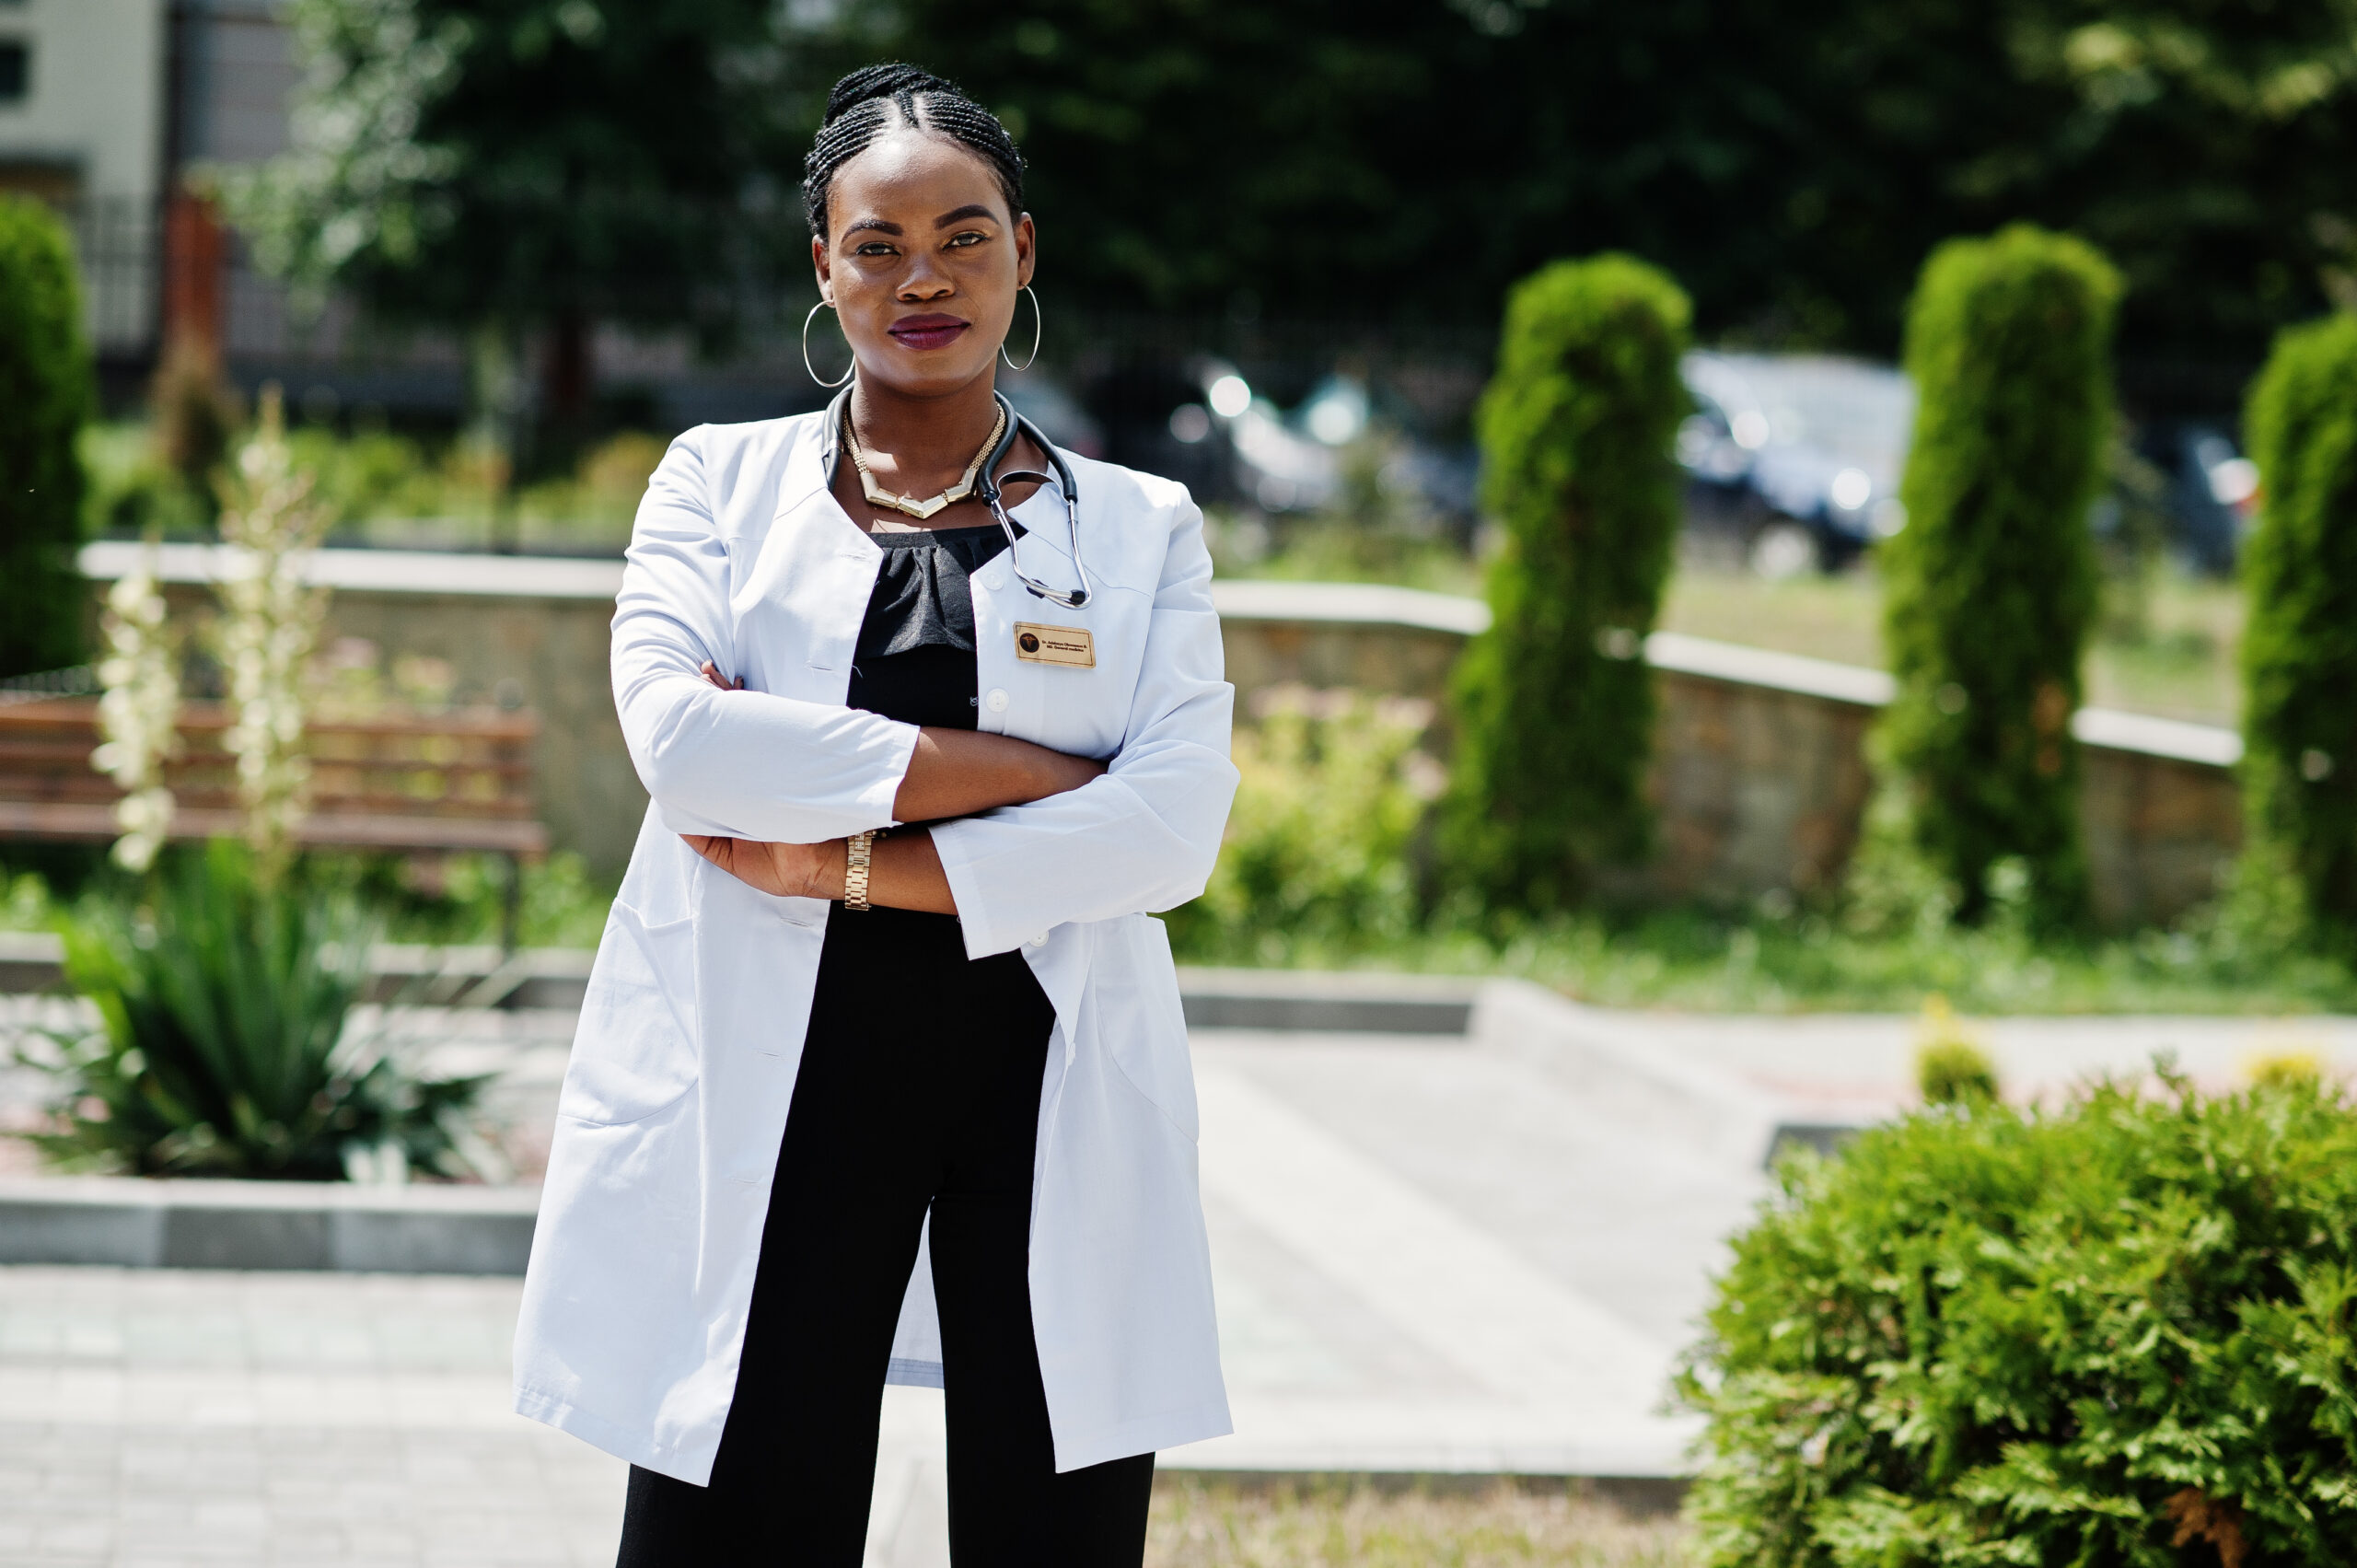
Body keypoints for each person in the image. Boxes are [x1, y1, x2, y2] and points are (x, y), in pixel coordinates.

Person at [509, 63, 1239, 1567]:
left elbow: (1171, 832)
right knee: (735, 1516)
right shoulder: (717, 484)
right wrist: (1034, 776)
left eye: (963, 239)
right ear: (822, 265)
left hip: (1041, 1074)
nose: (924, 280)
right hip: (779, 1078)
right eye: (879, 244)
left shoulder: (1139, 524)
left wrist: (837, 862)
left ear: (1023, 252)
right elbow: (686, 749)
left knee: (1052, 1524)